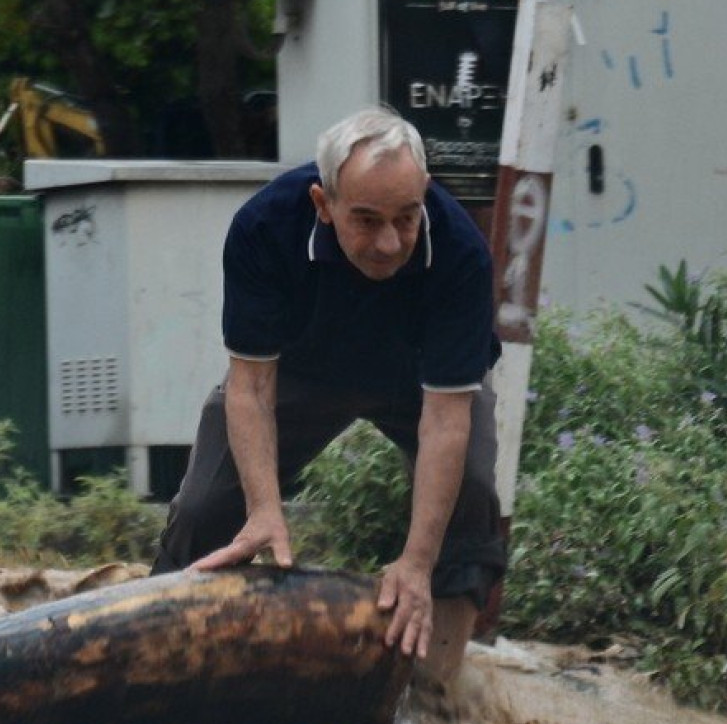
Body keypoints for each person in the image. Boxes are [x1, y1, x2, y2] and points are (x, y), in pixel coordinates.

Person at [151, 106, 505, 683]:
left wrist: (416, 562)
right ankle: (159, 655)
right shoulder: (265, 226)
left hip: (420, 381)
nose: (390, 243)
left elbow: (446, 420)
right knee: (206, 507)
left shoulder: (461, 253)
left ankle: (438, 692)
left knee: (472, 490)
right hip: (298, 371)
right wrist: (265, 509)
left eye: (407, 219)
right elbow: (251, 386)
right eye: (366, 221)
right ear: (324, 203)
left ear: (425, 197)